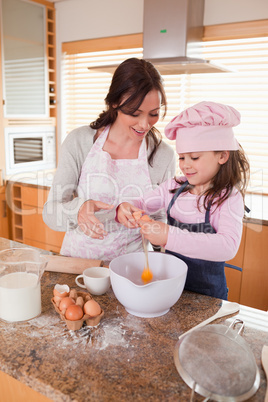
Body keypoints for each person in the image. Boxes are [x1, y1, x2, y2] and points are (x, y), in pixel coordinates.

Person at [43, 58, 176, 261]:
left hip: (133, 269)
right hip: (79, 267)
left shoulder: (163, 156)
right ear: (114, 102)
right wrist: (78, 210)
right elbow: (50, 212)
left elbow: (159, 221)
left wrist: (160, 235)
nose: (144, 124)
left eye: (154, 114)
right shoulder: (79, 142)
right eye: (135, 113)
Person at [117, 101, 250, 300]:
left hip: (208, 298)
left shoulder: (228, 198)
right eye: (182, 158)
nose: (185, 166)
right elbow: (142, 203)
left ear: (222, 155)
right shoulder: (174, 186)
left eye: (194, 158)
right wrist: (126, 208)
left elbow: (227, 246)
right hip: (171, 289)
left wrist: (169, 236)